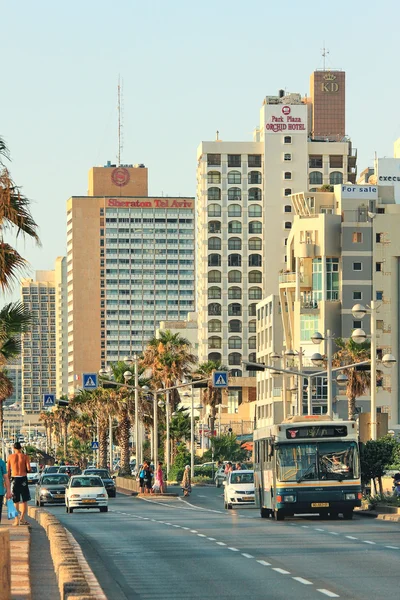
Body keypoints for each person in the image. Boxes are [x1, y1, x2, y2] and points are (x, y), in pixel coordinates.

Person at [7, 442, 31, 526]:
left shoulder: (10, 457)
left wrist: (7, 481)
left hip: (14, 479)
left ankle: (16, 520)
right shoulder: (25, 457)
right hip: (23, 479)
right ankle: (22, 518)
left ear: (14, 448)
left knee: (15, 500)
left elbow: (8, 471)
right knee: (25, 500)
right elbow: (29, 468)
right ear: (21, 448)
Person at [0, 455, 12, 524]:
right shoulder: (1, 462)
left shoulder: (1, 463)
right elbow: (6, 478)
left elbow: (6, 477)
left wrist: (8, 491)